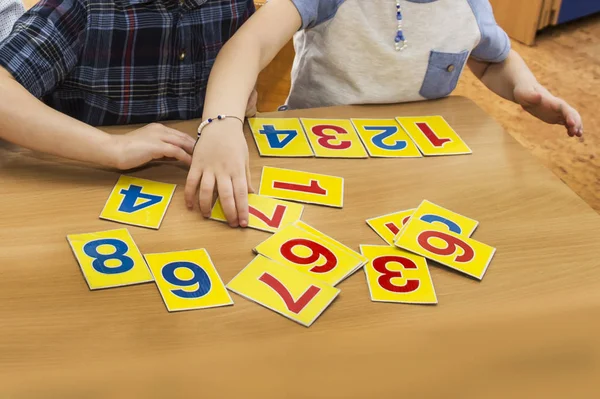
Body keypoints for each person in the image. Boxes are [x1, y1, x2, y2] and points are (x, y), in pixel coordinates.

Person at [188, 0, 584, 228]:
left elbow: (490, 59)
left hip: (416, 172)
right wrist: (221, 123)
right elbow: (251, 43)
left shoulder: (469, 5)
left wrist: (524, 89)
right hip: (312, 164)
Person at [0, 0, 256, 170]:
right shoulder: (80, 7)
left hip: (200, 175)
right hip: (89, 179)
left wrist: (237, 103)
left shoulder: (232, 4)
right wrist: (114, 147)